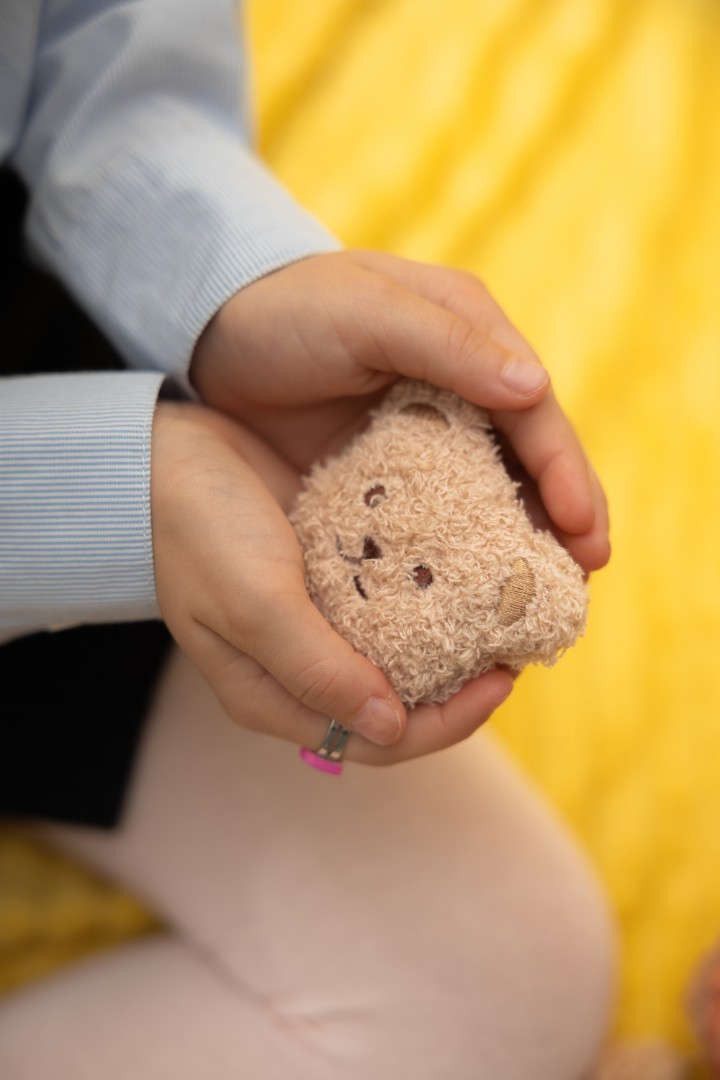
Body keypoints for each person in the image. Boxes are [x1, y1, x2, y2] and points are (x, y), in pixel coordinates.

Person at [0, 2, 615, 1077]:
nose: (377, 559)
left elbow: (98, 41)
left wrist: (232, 286)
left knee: (506, 976)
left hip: (87, 403)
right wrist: (101, 495)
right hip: (102, 473)